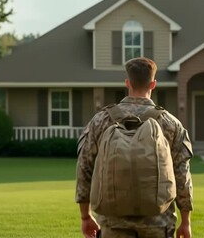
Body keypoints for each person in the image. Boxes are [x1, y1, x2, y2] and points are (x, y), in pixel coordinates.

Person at [75, 57, 193, 238]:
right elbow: (181, 176)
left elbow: (85, 169)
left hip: (112, 224)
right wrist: (185, 222)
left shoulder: (101, 121)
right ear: (153, 84)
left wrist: (85, 216)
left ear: (127, 82)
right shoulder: (170, 124)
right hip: (158, 224)